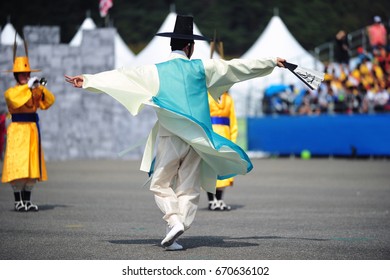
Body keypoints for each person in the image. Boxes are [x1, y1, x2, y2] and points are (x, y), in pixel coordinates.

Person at [65, 15, 286, 250]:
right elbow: (236, 67)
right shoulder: (202, 67)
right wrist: (272, 61)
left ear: (172, 45)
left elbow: (122, 76)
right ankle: (176, 232)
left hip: (170, 135)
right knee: (188, 189)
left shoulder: (154, 71)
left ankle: (173, 221)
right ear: (189, 47)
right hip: (198, 138)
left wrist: (88, 80)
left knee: (160, 183)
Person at [2, 40, 56, 212]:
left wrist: (40, 87)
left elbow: (48, 101)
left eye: (27, 74)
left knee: (32, 164)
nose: (25, 76)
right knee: (18, 163)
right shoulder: (12, 91)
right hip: (18, 130)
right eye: (22, 74)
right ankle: (18, 200)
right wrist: (28, 86)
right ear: (16, 76)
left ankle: (27, 200)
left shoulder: (31, 89)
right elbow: (14, 98)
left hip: (32, 129)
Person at [207, 91, 237, 211]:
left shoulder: (228, 98)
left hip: (225, 137)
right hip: (211, 136)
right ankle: (211, 200)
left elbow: (233, 121)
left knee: (224, 168)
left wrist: (232, 140)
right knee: (210, 168)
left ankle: (219, 199)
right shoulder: (206, 96)